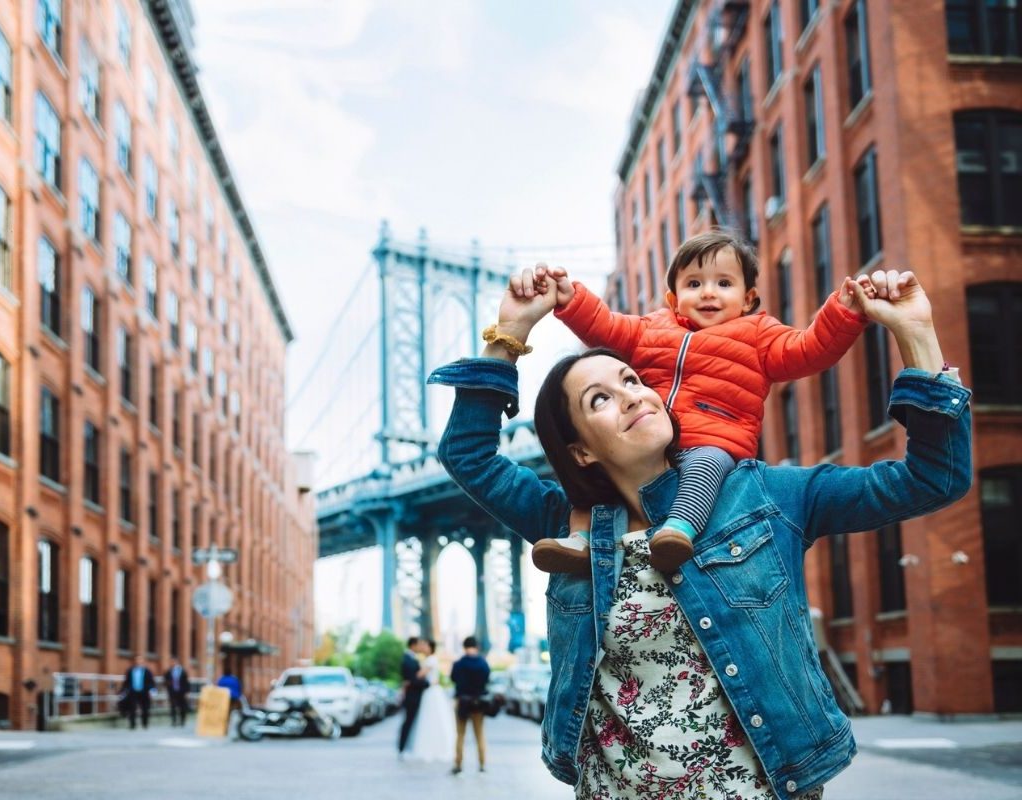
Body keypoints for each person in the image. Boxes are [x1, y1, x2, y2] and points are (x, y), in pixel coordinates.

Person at [428, 266, 971, 799]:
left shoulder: (764, 497)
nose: (632, 396)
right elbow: (468, 455)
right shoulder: (564, 528)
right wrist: (510, 332)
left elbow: (933, 479)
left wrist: (917, 335)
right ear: (581, 451)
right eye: (600, 400)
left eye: (632, 381)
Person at [530, 230, 869, 575]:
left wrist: (843, 313)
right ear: (674, 298)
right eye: (694, 284)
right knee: (599, 483)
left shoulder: (759, 335)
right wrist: (572, 300)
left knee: (704, 465)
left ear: (748, 298)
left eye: (724, 283)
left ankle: (678, 530)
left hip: (714, 440)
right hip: (655, 442)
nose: (708, 292)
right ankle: (579, 541)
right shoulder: (652, 328)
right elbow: (606, 326)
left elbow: (809, 349)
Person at [404, 639, 456, 763]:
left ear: (430, 647)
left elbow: (419, 675)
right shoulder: (428, 660)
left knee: (431, 719)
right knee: (429, 719)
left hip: (431, 692)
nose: (422, 647)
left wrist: (408, 680)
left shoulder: (431, 660)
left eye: (425, 645)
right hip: (429, 691)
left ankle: (433, 748)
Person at [450, 635, 491, 775]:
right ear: (477, 647)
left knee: (460, 734)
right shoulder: (483, 663)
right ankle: (482, 764)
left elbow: (453, 678)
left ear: (464, 647)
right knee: (479, 734)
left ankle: (458, 764)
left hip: (462, 702)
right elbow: (487, 679)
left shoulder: (458, 664)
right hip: (478, 703)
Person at [397, 636, 429, 756]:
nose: (420, 647)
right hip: (412, 697)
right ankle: (402, 748)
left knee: (411, 722)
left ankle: (405, 748)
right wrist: (427, 683)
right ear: (413, 645)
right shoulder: (407, 659)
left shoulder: (412, 658)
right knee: (408, 722)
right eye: (419, 645)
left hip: (415, 696)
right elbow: (412, 680)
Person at [121, 655, 156, 730]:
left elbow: (151, 682)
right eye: (137, 660)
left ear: (142, 661)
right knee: (132, 708)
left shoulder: (147, 671)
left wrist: (152, 691)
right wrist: (123, 691)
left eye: (140, 660)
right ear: (134, 661)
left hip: (144, 692)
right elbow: (126, 682)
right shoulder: (130, 671)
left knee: (145, 709)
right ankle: (132, 724)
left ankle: (145, 724)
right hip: (133, 692)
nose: (138, 661)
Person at [164, 658, 191, 727]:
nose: (172, 663)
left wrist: (187, 691)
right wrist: (168, 685)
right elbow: (165, 681)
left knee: (182, 707)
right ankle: (174, 721)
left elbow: (186, 682)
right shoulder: (169, 671)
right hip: (172, 692)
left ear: (177, 662)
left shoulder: (182, 671)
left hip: (181, 692)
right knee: (173, 706)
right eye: (171, 662)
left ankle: (182, 720)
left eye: (174, 662)